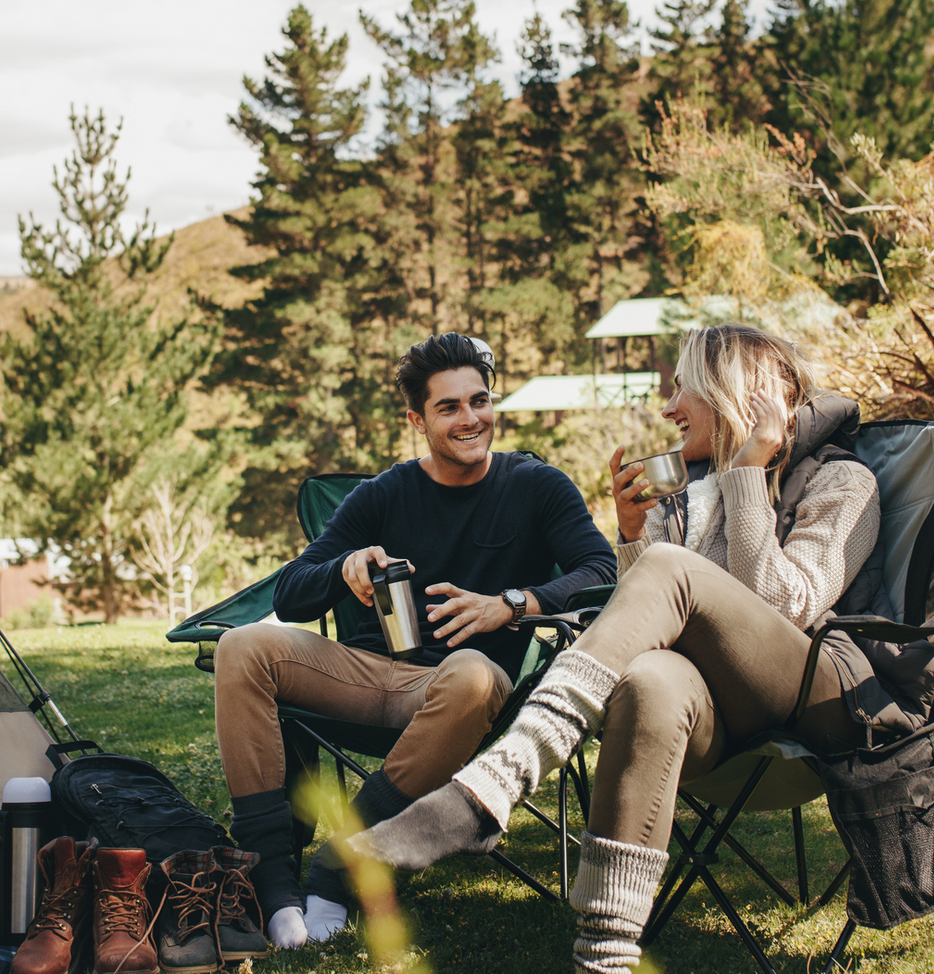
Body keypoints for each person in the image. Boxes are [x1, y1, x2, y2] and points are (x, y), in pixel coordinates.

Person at [352, 324, 899, 972]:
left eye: (682, 388)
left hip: (820, 696)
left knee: (668, 571)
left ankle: (499, 778)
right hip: (716, 713)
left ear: (734, 392)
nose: (668, 407)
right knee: (652, 682)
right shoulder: (692, 488)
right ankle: (605, 953)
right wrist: (634, 533)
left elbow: (785, 608)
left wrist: (748, 474)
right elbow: (653, 616)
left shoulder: (842, 481)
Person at [214, 332, 618, 948]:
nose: (470, 419)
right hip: (372, 675)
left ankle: (343, 864)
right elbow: (290, 592)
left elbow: (601, 571)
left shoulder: (536, 485)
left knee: (473, 672)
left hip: (472, 691)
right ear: (416, 419)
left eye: (479, 401)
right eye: (449, 407)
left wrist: (511, 605)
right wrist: (341, 567)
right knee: (240, 647)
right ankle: (272, 883)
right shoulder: (383, 494)